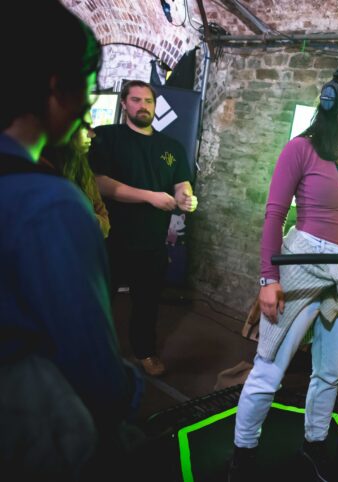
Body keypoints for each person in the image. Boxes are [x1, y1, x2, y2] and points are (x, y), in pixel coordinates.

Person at [229, 64, 338, 482]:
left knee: (330, 373)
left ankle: (314, 443)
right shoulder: (299, 149)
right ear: (334, 98)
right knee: (269, 369)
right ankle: (243, 453)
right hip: (301, 263)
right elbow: (274, 215)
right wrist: (269, 280)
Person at [0, 1, 142, 480]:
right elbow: (94, 369)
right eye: (87, 83)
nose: (88, 103)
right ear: (57, 86)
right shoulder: (50, 205)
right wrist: (130, 389)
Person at [89, 80, 198, 377]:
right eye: (136, 100)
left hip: (151, 242)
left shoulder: (171, 147)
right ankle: (89, 352)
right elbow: (101, 184)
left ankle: (144, 352)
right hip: (110, 238)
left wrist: (185, 198)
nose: (143, 106)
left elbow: (181, 183)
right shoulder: (106, 137)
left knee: (147, 304)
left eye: (148, 101)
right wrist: (149, 197)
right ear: (124, 103)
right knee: (97, 300)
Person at [43, 123, 110, 237]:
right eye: (84, 127)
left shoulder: (82, 165)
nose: (92, 134)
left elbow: (104, 220)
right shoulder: (40, 170)